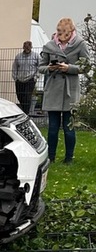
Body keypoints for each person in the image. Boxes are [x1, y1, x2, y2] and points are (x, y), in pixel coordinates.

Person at [39, 17, 90, 164]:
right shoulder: (49, 46)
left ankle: (69, 158)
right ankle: (51, 157)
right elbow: (41, 67)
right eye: (59, 33)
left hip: (70, 91)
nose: (61, 37)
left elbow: (86, 67)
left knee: (69, 128)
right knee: (53, 128)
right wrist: (50, 68)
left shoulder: (80, 45)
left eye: (65, 34)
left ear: (71, 32)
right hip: (53, 90)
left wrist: (69, 68)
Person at [11, 41, 40, 115]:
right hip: (19, 79)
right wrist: (15, 78)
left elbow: (40, 67)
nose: (27, 49)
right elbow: (14, 67)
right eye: (25, 47)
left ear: (31, 47)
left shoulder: (36, 56)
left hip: (30, 79)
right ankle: (23, 111)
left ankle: (26, 113)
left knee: (27, 97)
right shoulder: (18, 56)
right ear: (23, 47)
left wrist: (36, 77)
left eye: (28, 47)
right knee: (19, 96)